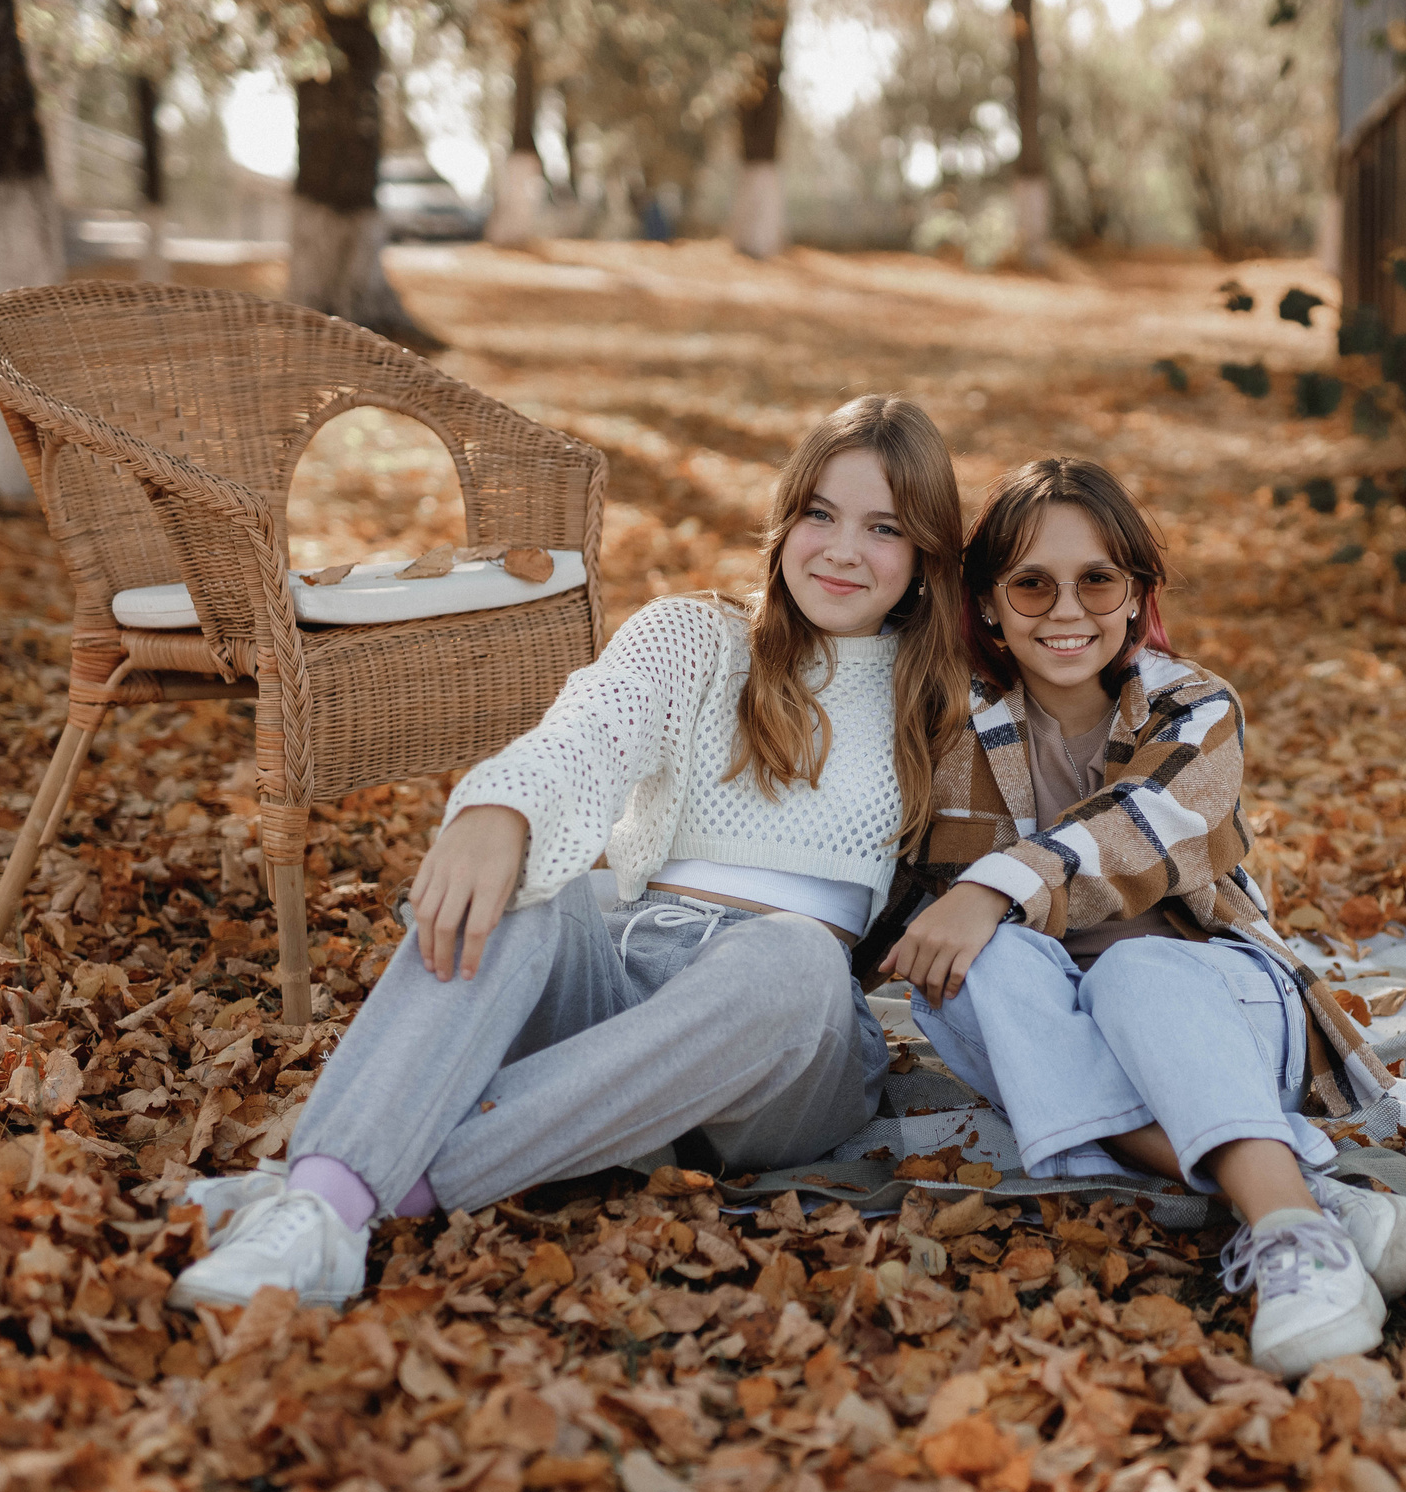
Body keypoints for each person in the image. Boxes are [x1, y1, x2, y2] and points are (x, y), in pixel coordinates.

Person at [166, 395, 973, 1309]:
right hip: (628, 973)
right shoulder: (696, 640)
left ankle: (358, 1184)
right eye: (820, 513)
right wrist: (501, 809)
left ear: (923, 561)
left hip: (786, 1046)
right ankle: (320, 1220)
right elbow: (590, 729)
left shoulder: (945, 703)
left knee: (791, 954)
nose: (840, 548)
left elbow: (1085, 760)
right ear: (786, 520)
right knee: (539, 884)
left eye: (883, 528)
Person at [873, 456, 1406, 1377]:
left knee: (1129, 971)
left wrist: (991, 885)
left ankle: (1293, 1243)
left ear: (1136, 594)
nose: (1066, 610)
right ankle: (1305, 1194)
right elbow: (874, 870)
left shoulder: (1193, 705)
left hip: (1210, 997)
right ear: (989, 607)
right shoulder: (944, 725)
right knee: (981, 972)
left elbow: (1143, 825)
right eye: (1031, 584)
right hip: (1032, 1013)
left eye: (1097, 580)